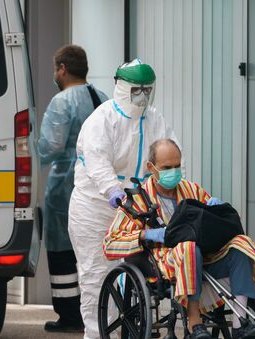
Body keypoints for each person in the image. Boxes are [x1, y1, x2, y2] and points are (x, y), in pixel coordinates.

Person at [103, 139, 255, 339]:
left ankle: (241, 323)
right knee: (189, 247)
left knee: (241, 244)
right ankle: (194, 322)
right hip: (163, 262)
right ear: (151, 168)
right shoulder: (138, 200)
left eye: (177, 166)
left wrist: (217, 211)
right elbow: (110, 244)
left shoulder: (191, 190)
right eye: (167, 167)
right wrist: (146, 234)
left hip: (204, 257)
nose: (174, 172)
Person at [68, 58, 181, 339]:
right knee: (96, 277)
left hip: (138, 207)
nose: (142, 97)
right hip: (95, 208)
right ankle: (97, 335)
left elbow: (170, 155)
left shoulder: (155, 119)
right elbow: (97, 161)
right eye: (136, 91)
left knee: (138, 275)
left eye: (147, 90)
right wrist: (112, 191)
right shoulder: (102, 120)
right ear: (120, 88)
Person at [37, 45, 108, 333]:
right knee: (92, 251)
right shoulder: (101, 98)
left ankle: (68, 315)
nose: (55, 74)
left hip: (65, 186)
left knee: (62, 249)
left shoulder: (61, 101)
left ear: (63, 68)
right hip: (97, 186)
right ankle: (95, 310)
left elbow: (50, 146)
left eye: (56, 68)